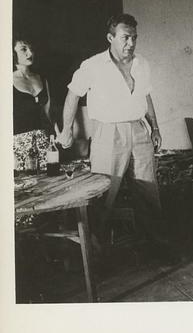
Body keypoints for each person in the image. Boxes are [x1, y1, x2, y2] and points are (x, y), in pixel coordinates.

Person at [56, 13, 169, 252]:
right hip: (109, 132)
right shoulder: (93, 65)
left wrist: (155, 128)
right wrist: (66, 129)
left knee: (148, 192)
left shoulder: (142, 63)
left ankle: (157, 244)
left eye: (134, 37)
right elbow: (73, 95)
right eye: (125, 37)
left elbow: (146, 96)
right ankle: (93, 251)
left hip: (139, 130)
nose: (131, 43)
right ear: (110, 38)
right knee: (104, 193)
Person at [13, 36, 54, 171]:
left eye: (31, 49)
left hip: (42, 140)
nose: (30, 53)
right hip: (18, 143)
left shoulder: (42, 78)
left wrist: (56, 136)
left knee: (49, 180)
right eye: (23, 49)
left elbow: (48, 113)